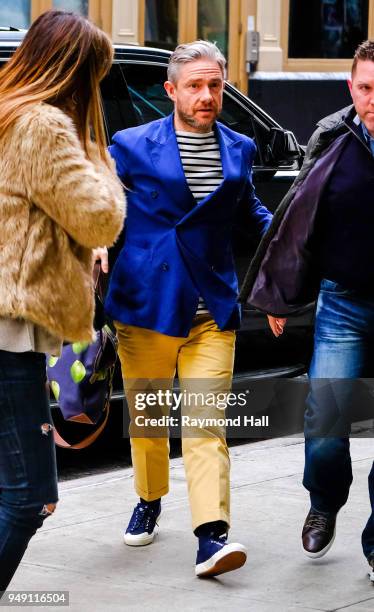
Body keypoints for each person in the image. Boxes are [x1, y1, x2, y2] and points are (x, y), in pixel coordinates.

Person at [105, 40, 280, 578]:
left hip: (212, 310)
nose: (207, 95)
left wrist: (292, 251)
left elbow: (250, 209)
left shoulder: (239, 147)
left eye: (215, 85)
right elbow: (101, 201)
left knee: (206, 427)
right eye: (196, 86)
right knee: (150, 421)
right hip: (149, 305)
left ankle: (212, 537)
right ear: (171, 90)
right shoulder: (131, 144)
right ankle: (150, 497)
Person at [239, 40, 374, 581]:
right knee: (324, 424)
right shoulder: (332, 135)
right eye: (366, 88)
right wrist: (279, 292)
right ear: (351, 87)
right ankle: (325, 499)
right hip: (342, 302)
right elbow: (297, 218)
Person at [0, 10, 125, 591]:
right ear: (74, 73)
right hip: (9, 333)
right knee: (29, 498)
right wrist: (101, 160)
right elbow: (99, 218)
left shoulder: (6, 114)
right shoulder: (43, 126)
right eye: (94, 77)